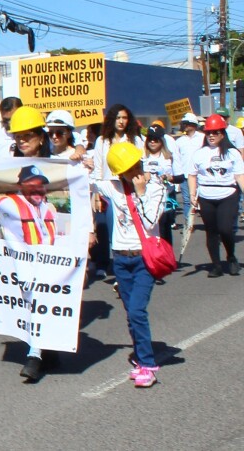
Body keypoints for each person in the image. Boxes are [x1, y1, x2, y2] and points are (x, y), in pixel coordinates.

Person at [93, 142, 166, 388]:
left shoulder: (156, 187)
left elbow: (150, 222)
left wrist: (142, 192)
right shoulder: (114, 187)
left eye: (135, 165)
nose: (133, 171)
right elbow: (84, 181)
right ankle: (139, 355)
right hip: (121, 259)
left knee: (137, 310)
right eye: (126, 169)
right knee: (129, 313)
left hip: (145, 258)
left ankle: (148, 364)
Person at [3, 106, 59, 381]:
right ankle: (40, 348)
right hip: (22, 249)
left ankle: (37, 352)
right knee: (29, 295)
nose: (22, 141)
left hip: (51, 249)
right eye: (18, 136)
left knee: (46, 295)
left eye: (27, 135)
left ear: (40, 137)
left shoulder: (61, 164)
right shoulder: (7, 165)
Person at [188, 114, 244, 277]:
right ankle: (216, 265)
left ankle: (231, 256)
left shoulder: (232, 153)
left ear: (222, 133)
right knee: (211, 231)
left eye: (216, 132)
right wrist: (193, 194)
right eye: (208, 133)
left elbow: (239, 176)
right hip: (206, 195)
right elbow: (192, 175)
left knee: (225, 229)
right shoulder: (199, 154)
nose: (211, 135)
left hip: (228, 193)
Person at [141, 125, 183, 245]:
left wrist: (170, 178)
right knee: (150, 228)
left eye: (156, 139)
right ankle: (153, 257)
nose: (152, 142)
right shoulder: (142, 157)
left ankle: (166, 257)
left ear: (162, 140)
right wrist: (144, 176)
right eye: (150, 139)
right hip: (148, 197)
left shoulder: (169, 157)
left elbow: (180, 178)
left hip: (166, 196)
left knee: (164, 228)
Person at [0, 166, 58, 246]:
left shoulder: (45, 209)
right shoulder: (8, 203)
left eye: (40, 186)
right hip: (22, 256)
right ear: (20, 186)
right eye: (31, 186)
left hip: (47, 255)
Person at [175, 112, 204, 222]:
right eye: (184, 124)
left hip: (200, 175)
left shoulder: (203, 138)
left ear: (193, 125)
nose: (185, 126)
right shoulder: (179, 141)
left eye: (187, 123)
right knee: (187, 201)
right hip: (185, 175)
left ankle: (208, 223)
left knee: (203, 200)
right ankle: (188, 224)